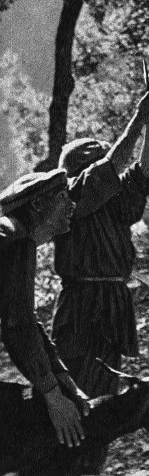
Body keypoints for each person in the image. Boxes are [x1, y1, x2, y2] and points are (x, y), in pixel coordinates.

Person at [48, 89, 149, 476]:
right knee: (73, 386)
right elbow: (115, 164)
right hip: (82, 303)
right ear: (81, 169)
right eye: (95, 156)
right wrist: (138, 117)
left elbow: (141, 172)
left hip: (114, 301)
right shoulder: (74, 196)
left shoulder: (114, 203)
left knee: (104, 389)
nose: (106, 160)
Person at [0, 170, 90, 451]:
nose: (72, 205)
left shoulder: (12, 233)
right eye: (62, 197)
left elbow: (25, 319)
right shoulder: (16, 239)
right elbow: (18, 326)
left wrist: (62, 379)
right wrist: (53, 396)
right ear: (37, 205)